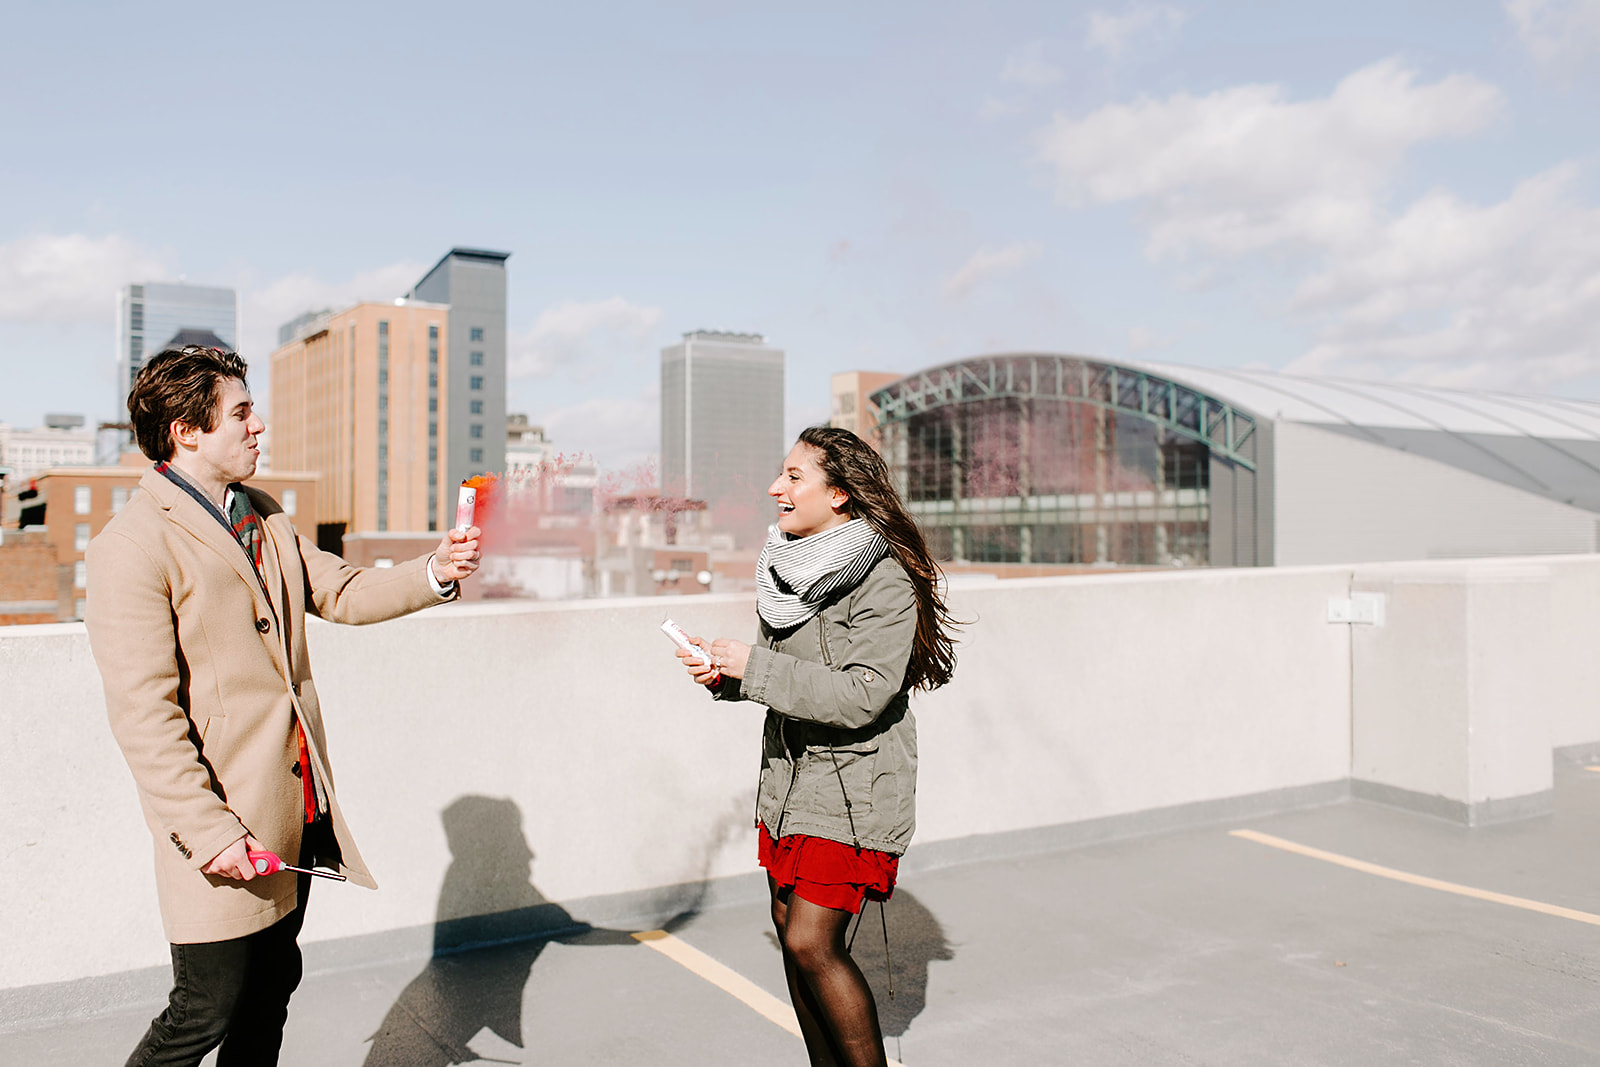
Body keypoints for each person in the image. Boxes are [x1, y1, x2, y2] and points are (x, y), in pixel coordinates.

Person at [84, 345, 482, 1067]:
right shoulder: (131, 546)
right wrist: (211, 833)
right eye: (240, 412)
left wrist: (436, 570)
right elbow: (146, 717)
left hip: (291, 815)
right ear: (186, 430)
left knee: (270, 994)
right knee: (205, 1008)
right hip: (219, 829)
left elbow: (343, 590)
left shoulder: (262, 516)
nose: (258, 423)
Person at [677, 425, 957, 1067]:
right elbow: (781, 676)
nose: (776, 487)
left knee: (811, 941)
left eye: (794, 476)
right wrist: (726, 676)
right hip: (789, 781)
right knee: (789, 932)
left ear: (839, 494)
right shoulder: (785, 569)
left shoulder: (883, 579)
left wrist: (756, 669)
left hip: (855, 787)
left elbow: (863, 695)